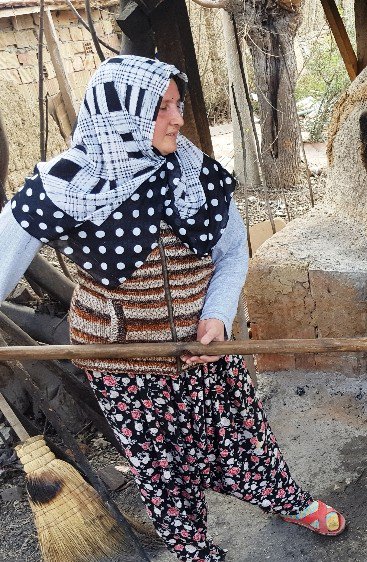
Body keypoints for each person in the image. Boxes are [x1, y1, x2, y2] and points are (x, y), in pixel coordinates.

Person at [0, 55, 345, 562]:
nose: (178, 119)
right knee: (161, 468)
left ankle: (281, 499)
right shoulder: (66, 184)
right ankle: (194, 550)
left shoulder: (195, 172)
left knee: (243, 432)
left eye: (177, 105)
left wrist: (218, 318)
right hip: (123, 363)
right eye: (161, 108)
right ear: (122, 113)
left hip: (201, 348)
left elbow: (231, 255)